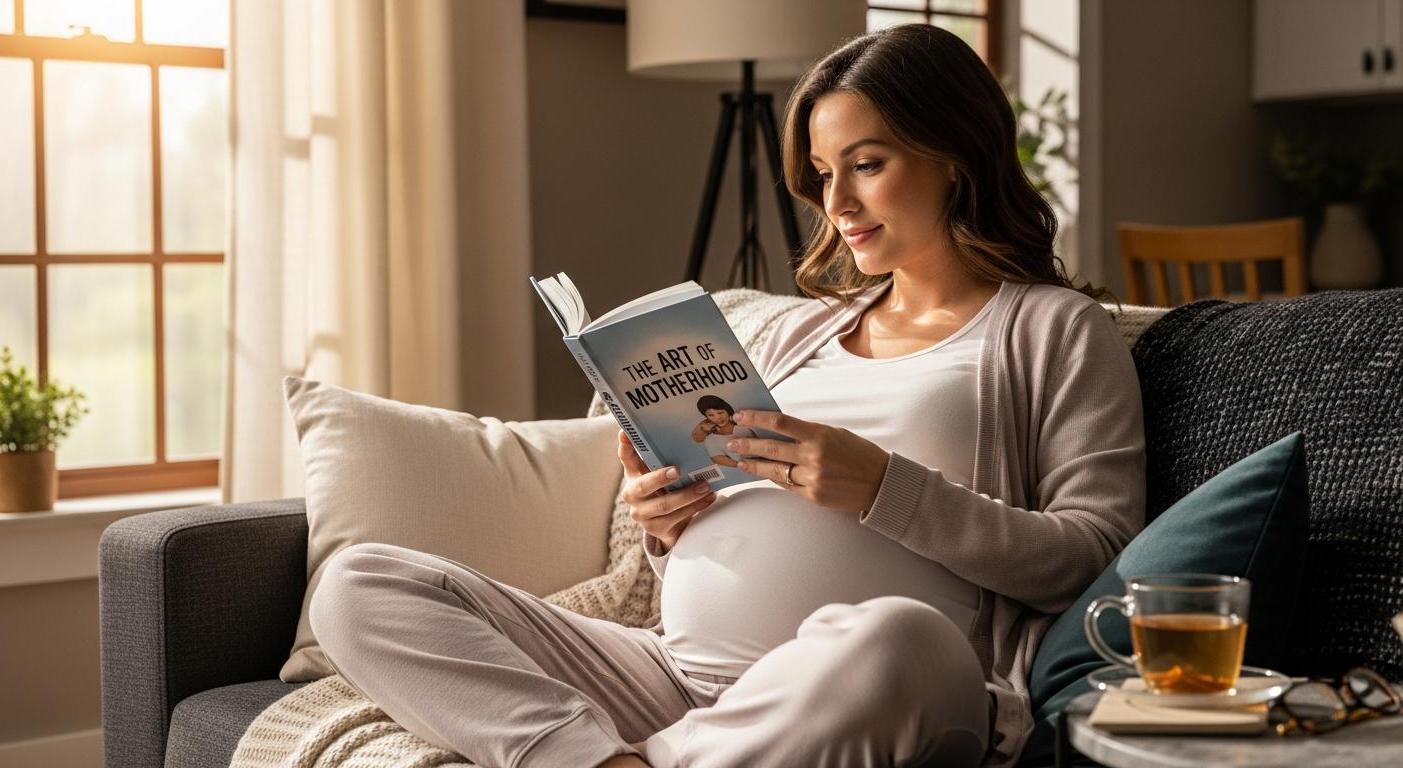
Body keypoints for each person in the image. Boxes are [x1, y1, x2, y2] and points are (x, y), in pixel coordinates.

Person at [309, 23, 1144, 768]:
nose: (837, 204)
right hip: (673, 673)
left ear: (955, 153)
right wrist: (668, 523)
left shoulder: (1054, 330)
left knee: (897, 637)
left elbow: (1096, 554)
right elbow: (725, 520)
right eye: (822, 174)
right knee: (359, 583)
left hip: (875, 682)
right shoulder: (798, 334)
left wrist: (882, 487)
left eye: (867, 164)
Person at [689, 395, 757, 467]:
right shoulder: (711, 440)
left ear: (727, 410)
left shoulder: (745, 428)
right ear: (706, 417)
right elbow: (718, 459)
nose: (718, 417)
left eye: (720, 412)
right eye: (711, 415)